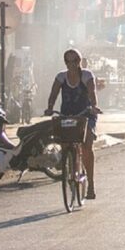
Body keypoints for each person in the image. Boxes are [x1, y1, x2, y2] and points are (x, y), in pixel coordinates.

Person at [44, 49, 102, 200]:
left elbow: (92, 92)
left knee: (86, 146)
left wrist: (94, 106)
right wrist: (50, 107)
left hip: (85, 114)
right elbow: (54, 93)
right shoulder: (61, 77)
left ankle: (91, 184)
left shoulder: (87, 75)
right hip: (67, 115)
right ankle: (69, 167)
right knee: (65, 143)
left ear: (79, 61)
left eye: (74, 61)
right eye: (68, 61)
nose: (71, 64)